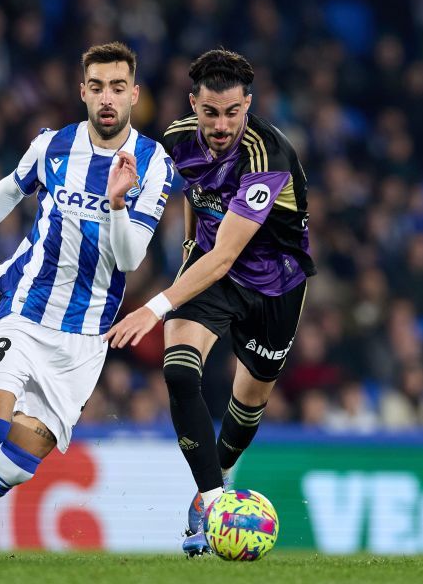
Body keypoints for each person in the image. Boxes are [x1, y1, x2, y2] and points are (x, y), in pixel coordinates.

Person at [0, 42, 173, 559]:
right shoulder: (53, 145)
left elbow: (131, 258)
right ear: (82, 91)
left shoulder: (154, 163)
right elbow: (10, 187)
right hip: (27, 309)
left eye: (117, 88)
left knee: (15, 468)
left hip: (87, 339)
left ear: (133, 94)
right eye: (97, 87)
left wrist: (115, 203)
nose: (107, 98)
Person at [104, 49, 316, 555]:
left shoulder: (270, 156)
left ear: (249, 105)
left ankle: (213, 484)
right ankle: (213, 502)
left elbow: (226, 257)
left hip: (274, 286)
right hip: (211, 270)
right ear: (194, 103)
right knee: (179, 372)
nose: (221, 125)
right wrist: (185, 247)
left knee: (246, 408)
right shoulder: (176, 138)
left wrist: (152, 307)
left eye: (233, 112)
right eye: (211, 112)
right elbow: (195, 194)